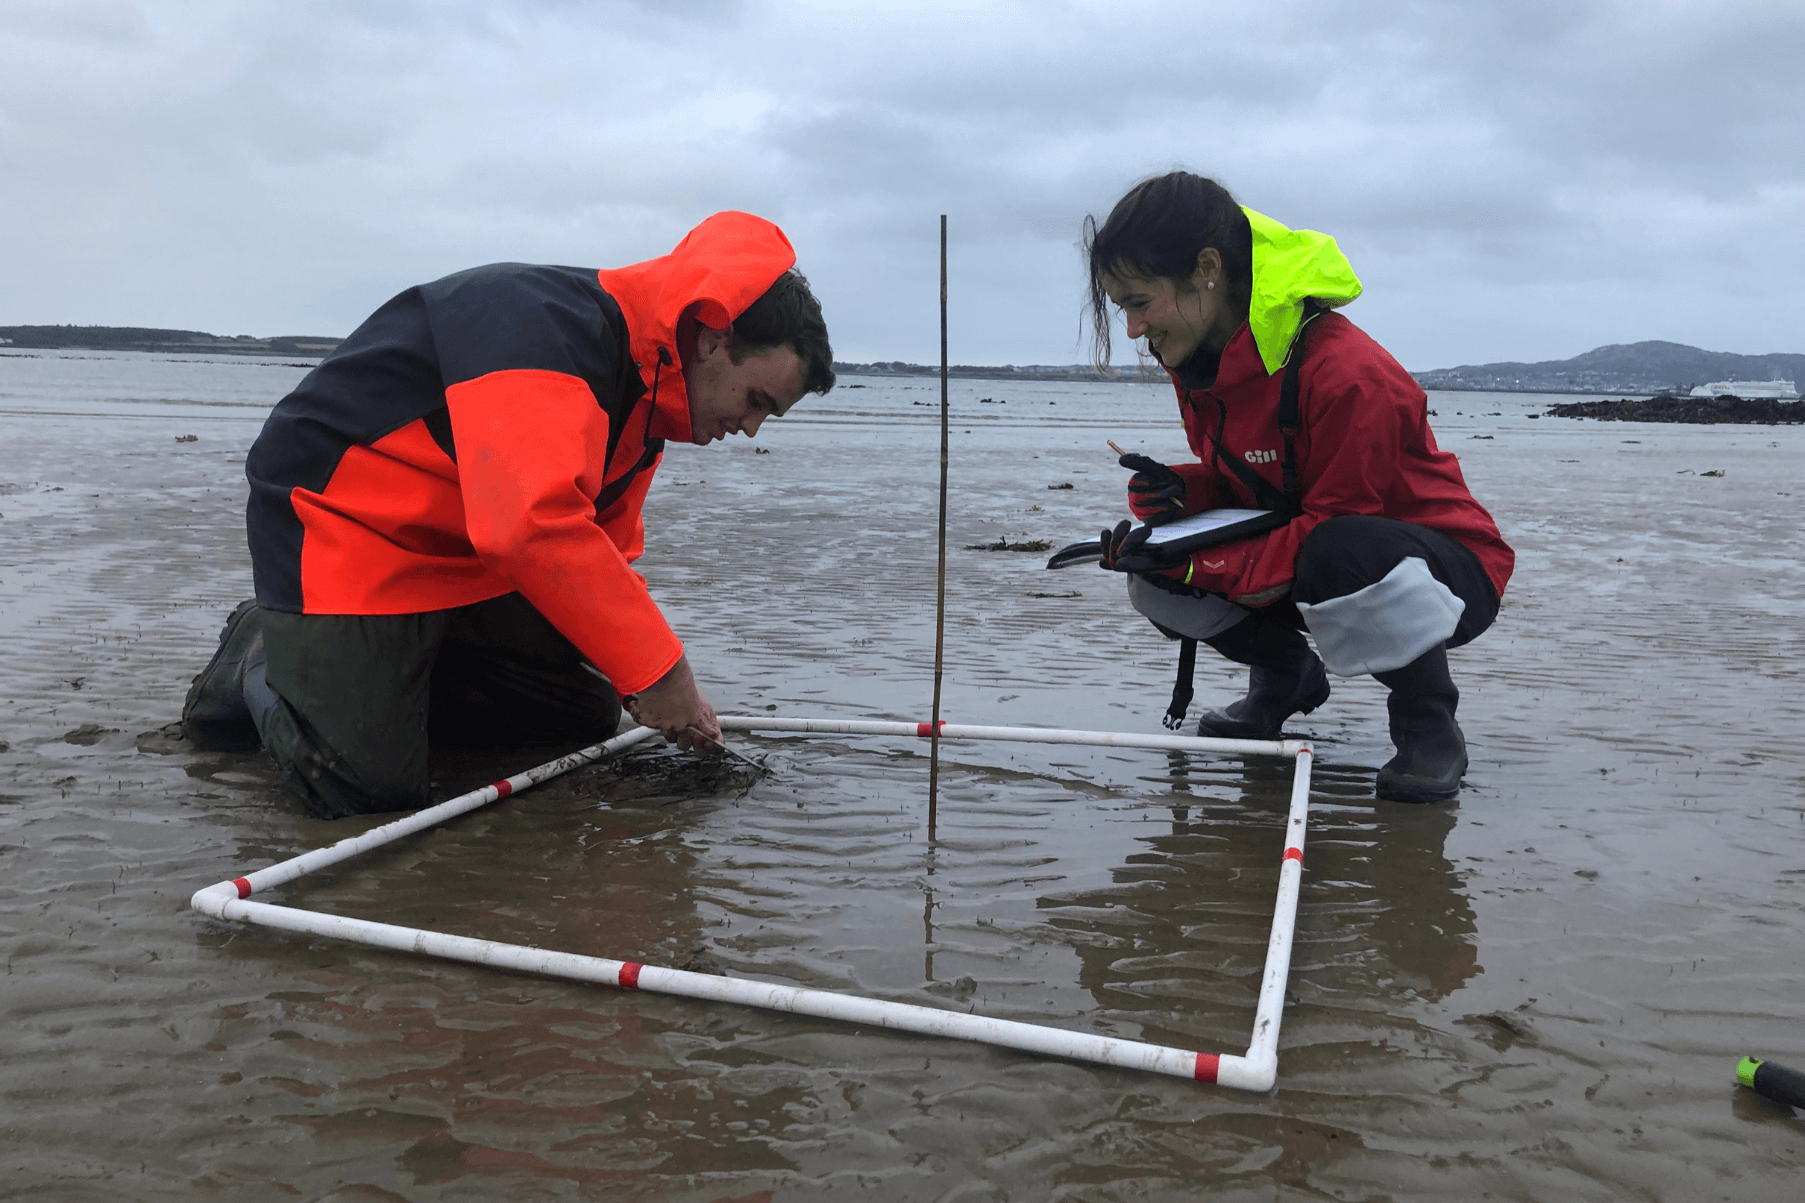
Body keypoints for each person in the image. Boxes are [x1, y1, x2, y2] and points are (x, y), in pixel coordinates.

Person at [181, 211, 835, 819]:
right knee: (359, 784)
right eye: (757, 400)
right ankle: (260, 651)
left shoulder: (646, 410)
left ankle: (383, 672)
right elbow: (526, 525)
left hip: (466, 550)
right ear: (716, 337)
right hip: (345, 516)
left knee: (580, 713)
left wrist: (645, 686)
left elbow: (601, 561)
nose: (749, 428)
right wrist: (665, 673)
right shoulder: (546, 327)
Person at [1085, 172, 1513, 804]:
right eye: (1122, 307)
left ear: (1207, 269)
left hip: (1448, 568)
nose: (1132, 330)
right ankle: (1284, 680)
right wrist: (1184, 495)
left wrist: (1208, 560)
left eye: (1139, 303)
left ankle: (1429, 725)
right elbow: (1263, 486)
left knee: (1336, 550)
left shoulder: (1348, 373)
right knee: (1152, 567)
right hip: (1322, 543)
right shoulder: (1202, 362)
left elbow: (1334, 519)